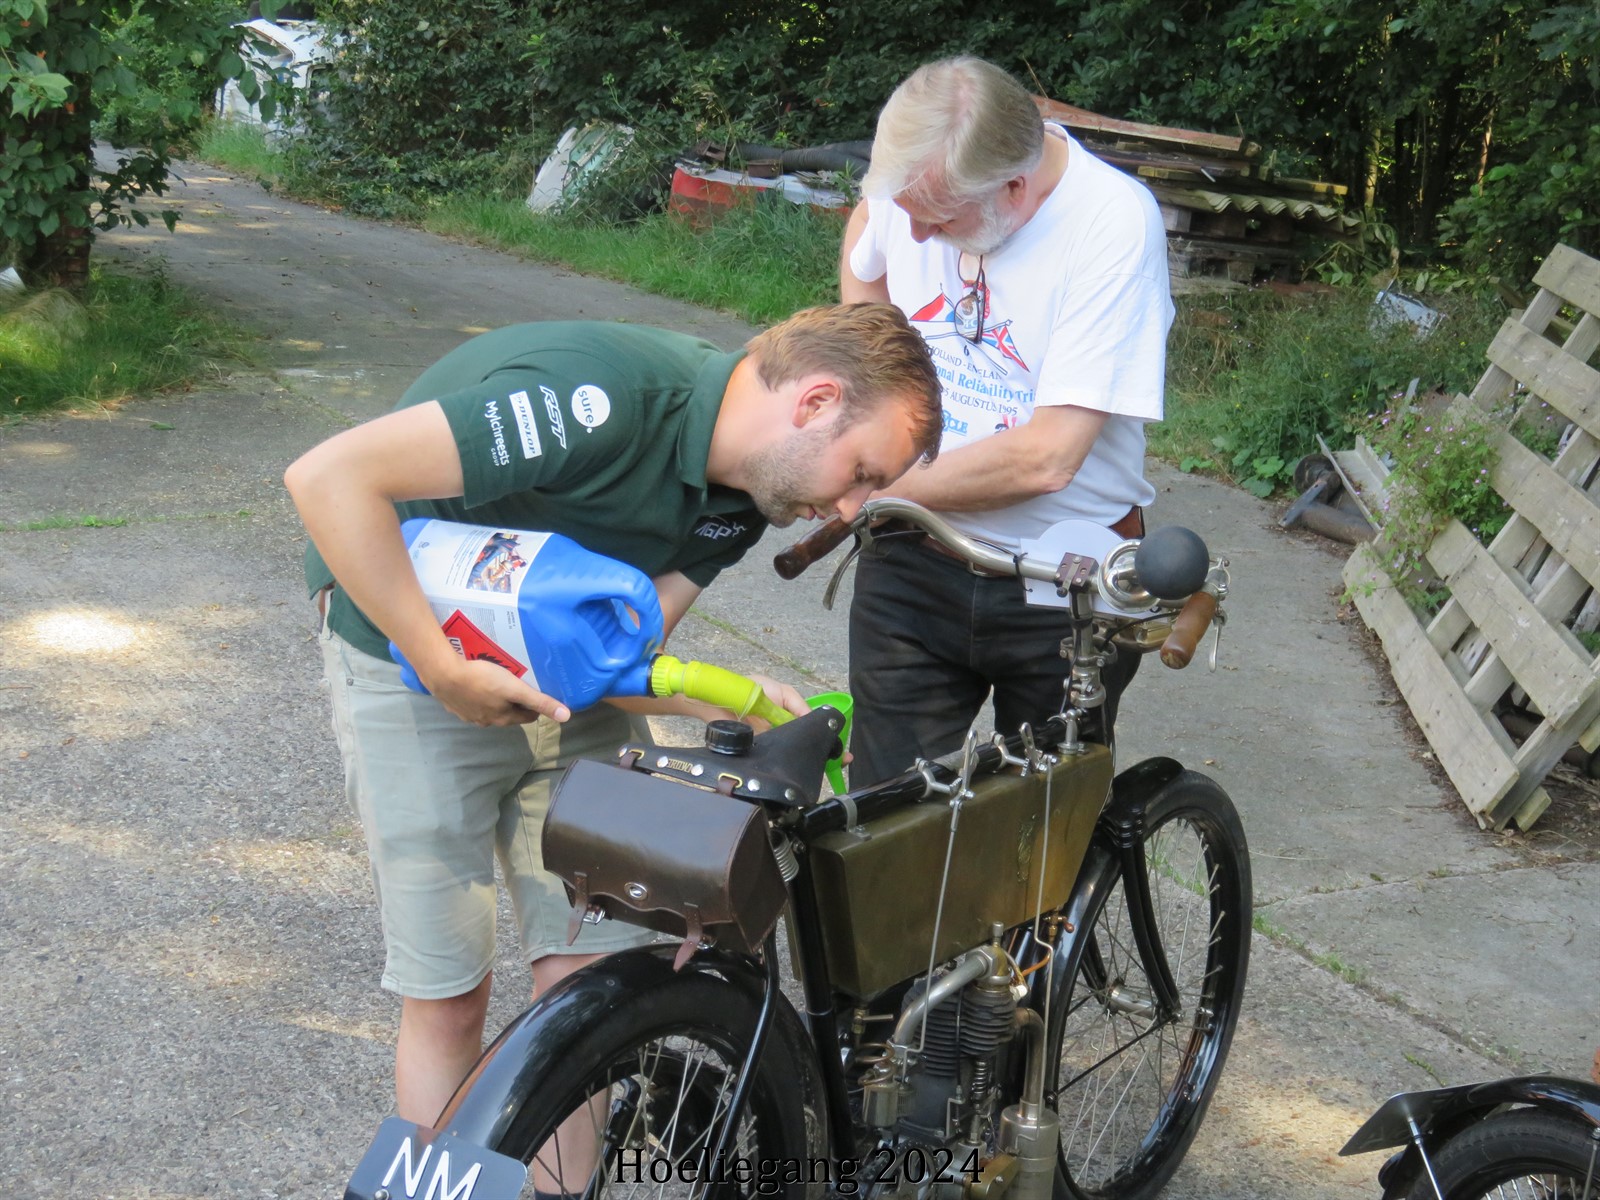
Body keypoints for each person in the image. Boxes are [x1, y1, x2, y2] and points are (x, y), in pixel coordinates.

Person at [284, 303, 941, 1126]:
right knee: (449, 996)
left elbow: (625, 660)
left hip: (555, 672)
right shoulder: (598, 400)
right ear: (815, 402)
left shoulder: (746, 497)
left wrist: (736, 700)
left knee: (589, 985)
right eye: (862, 472)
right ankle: (434, 1179)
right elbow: (327, 477)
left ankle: (562, 1183)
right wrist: (440, 666)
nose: (850, 510)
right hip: (410, 658)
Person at [840, 55, 1174, 786]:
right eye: (908, 211)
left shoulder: (1110, 223)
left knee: (1039, 830)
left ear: (1015, 188)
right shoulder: (917, 185)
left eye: (940, 220)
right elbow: (868, 247)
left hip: (1063, 585)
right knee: (881, 821)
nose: (916, 237)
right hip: (912, 559)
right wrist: (879, 394)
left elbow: (1048, 456)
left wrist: (874, 484)